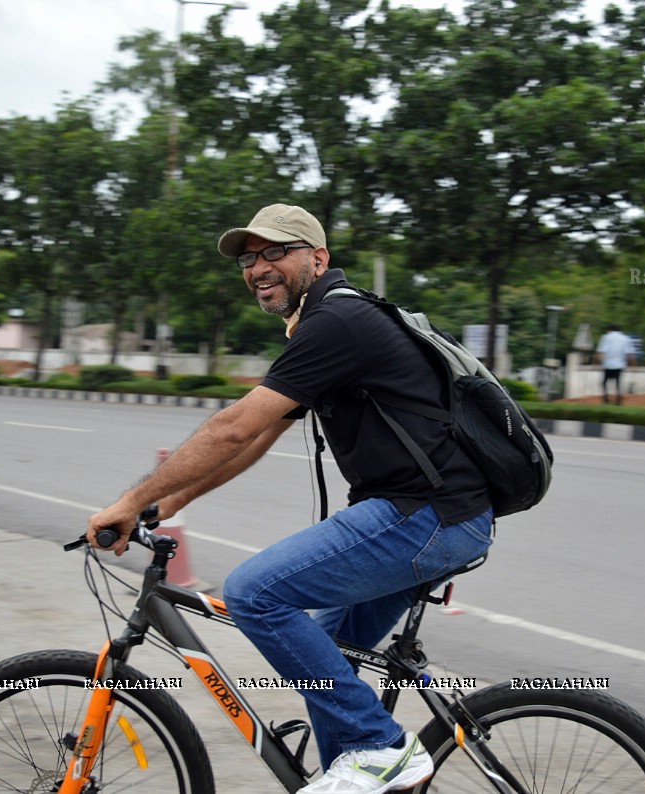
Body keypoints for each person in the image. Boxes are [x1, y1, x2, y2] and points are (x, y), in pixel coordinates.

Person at [87, 203, 493, 793]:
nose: (258, 268)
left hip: (425, 517)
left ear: (318, 258)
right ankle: (361, 766)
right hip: (436, 518)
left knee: (254, 593)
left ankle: (380, 746)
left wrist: (129, 501)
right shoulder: (325, 326)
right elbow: (257, 438)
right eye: (249, 259)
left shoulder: (338, 323)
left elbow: (233, 426)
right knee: (327, 657)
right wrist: (171, 502)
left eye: (275, 251)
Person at [595, 323, 636, 405]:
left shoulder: (606, 337)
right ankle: (618, 398)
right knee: (618, 382)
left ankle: (605, 397)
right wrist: (633, 364)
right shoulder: (625, 338)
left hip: (608, 364)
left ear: (610, 330)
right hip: (619, 364)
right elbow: (629, 353)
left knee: (604, 382)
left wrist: (596, 361)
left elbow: (601, 351)